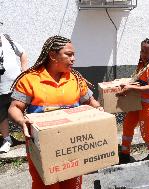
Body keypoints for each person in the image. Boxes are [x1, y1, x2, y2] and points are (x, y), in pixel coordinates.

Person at [8, 36, 102, 189]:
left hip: (73, 146)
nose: (74, 59)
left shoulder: (76, 79)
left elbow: (90, 101)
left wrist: (98, 109)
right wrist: (21, 121)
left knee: (72, 185)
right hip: (42, 149)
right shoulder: (29, 79)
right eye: (69, 54)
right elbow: (14, 108)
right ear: (52, 55)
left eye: (74, 55)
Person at [117, 38, 149, 164]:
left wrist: (130, 87)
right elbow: (138, 80)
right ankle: (125, 154)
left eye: (146, 52)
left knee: (146, 132)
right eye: (142, 51)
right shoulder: (142, 64)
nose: (143, 54)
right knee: (127, 126)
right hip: (136, 103)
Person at [0, 33, 28, 153]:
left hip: (16, 85)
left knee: (22, 110)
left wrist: (24, 69)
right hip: (0, 88)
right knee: (1, 115)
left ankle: (28, 136)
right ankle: (7, 140)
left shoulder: (7, 39)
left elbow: (23, 53)